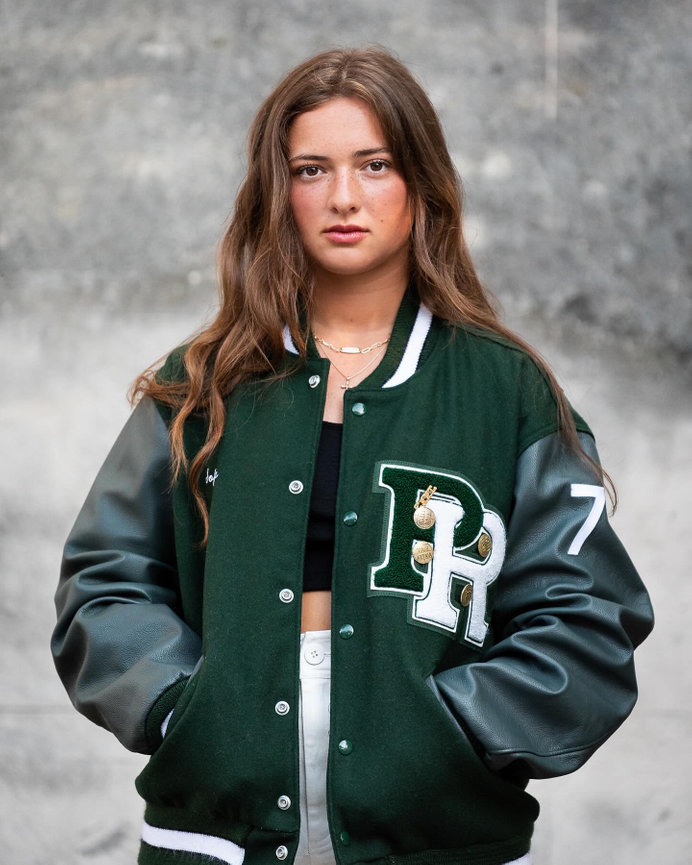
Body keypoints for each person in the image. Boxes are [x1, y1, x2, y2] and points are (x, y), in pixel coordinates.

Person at [52, 46, 653, 865]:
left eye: (375, 165)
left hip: (441, 836)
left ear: (422, 184)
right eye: (311, 170)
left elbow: (588, 615)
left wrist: (456, 728)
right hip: (214, 832)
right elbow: (102, 580)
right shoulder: (199, 386)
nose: (343, 196)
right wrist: (182, 706)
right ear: (279, 191)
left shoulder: (506, 390)